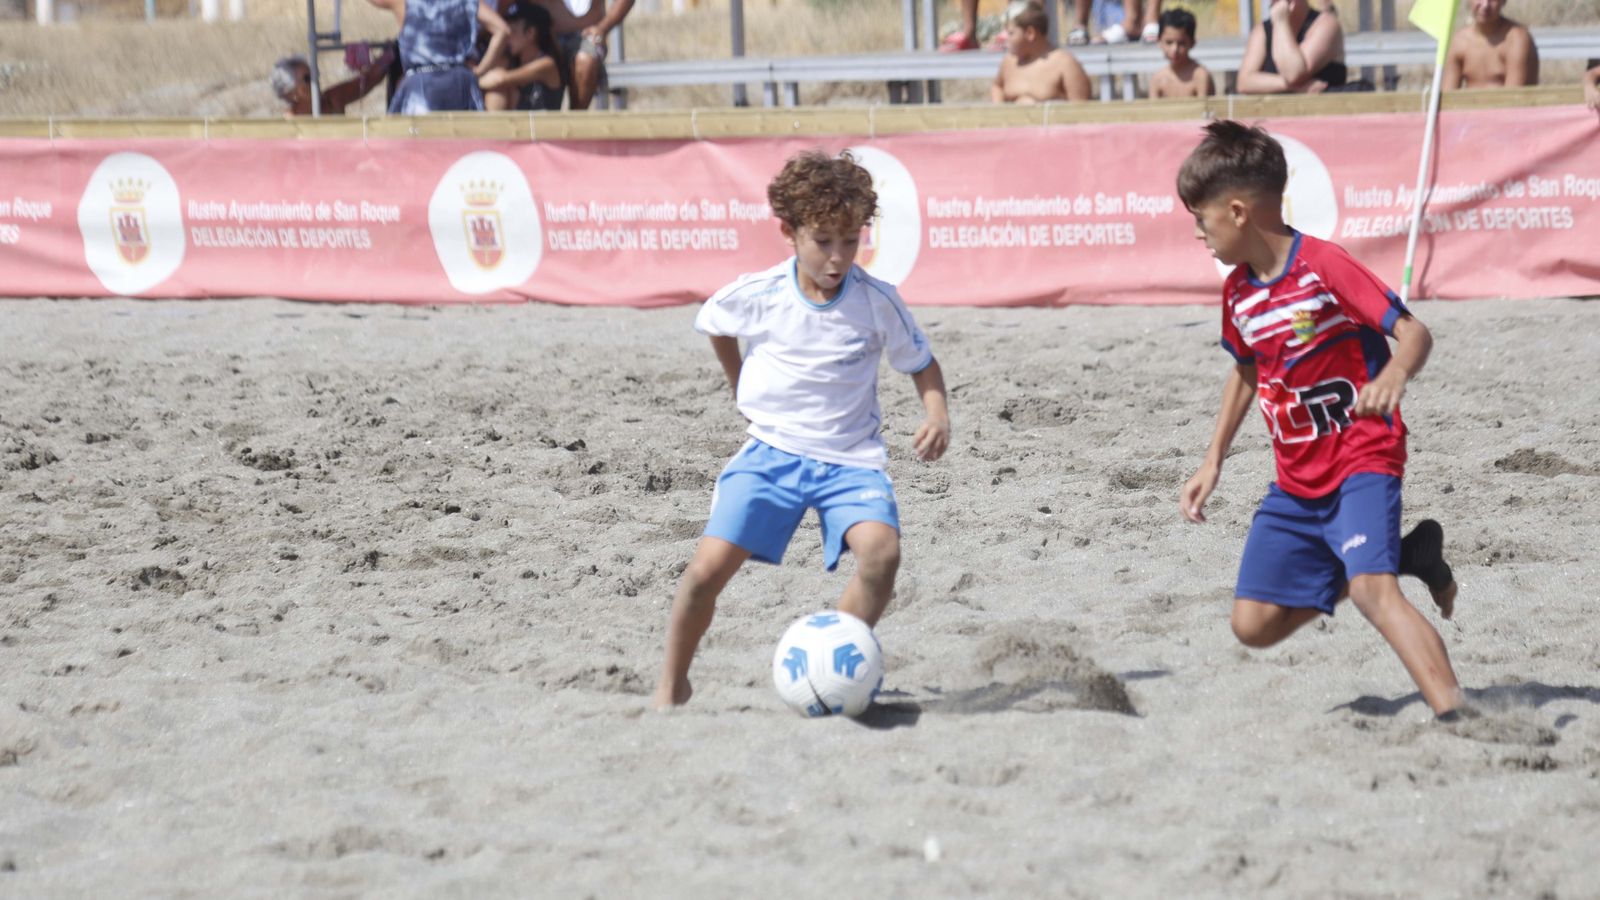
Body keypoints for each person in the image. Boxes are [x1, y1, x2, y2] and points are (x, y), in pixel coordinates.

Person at [1175, 120, 1467, 720]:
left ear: (1236, 212)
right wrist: (1212, 461)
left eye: (1200, 219)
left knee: (1370, 592)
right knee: (1252, 625)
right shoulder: (1238, 293)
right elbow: (1247, 371)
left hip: (1363, 456)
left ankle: (1457, 716)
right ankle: (1407, 557)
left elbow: (1414, 331)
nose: (1198, 233)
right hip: (1295, 481)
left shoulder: (1324, 266)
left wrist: (1392, 377)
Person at [652, 149, 951, 710]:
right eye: (823, 241)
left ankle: (830, 651)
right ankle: (672, 685)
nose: (838, 257)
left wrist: (936, 414)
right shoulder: (760, 293)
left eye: (851, 240)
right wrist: (739, 381)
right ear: (788, 231)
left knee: (882, 555)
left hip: (850, 459)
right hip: (772, 453)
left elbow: (921, 363)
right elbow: (716, 323)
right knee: (702, 573)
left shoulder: (876, 300)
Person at [365, 0, 510, 113]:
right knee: (463, 145)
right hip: (460, 82)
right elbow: (502, 30)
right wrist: (480, 70)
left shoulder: (403, 2)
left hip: (420, 84)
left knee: (417, 146)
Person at [523, 0, 633, 110]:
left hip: (586, 36)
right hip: (541, 37)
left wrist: (603, 28)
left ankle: (574, 121)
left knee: (586, 61)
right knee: (530, 61)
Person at [1235, 0, 1346, 95]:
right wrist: (1293, 86)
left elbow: (1293, 74)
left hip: (1324, 114)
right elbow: (1244, 83)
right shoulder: (1263, 31)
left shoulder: (1326, 25)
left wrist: (1281, 22)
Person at [991, 1, 1093, 104]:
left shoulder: (1065, 63)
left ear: (1030, 33)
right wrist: (998, 106)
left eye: (1011, 33)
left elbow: (1081, 109)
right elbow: (997, 86)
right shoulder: (1009, 62)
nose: (1004, 38)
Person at [479, 2, 566, 111]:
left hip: (543, 127)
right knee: (497, 93)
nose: (507, 37)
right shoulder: (512, 61)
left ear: (530, 33)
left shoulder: (546, 64)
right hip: (520, 126)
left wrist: (471, 80)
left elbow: (499, 79)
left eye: (513, 31)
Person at [270, 43, 396, 116]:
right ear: (292, 93)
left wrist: (392, 52)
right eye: (308, 78)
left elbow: (369, 80)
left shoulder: (332, 99)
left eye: (315, 73)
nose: (316, 79)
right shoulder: (289, 123)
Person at [1444, 0, 1539, 90]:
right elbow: (1446, 98)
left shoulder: (1517, 39)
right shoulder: (1459, 42)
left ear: (1503, 1)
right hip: (1471, 106)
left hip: (1508, 106)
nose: (1485, 5)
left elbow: (1514, 98)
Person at [1148, 7, 1212, 98]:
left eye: (1181, 43)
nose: (1175, 49)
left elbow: (1204, 109)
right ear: (1159, 41)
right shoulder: (1157, 80)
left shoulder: (1200, 76)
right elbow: (1152, 111)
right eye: (1169, 42)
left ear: (1192, 43)